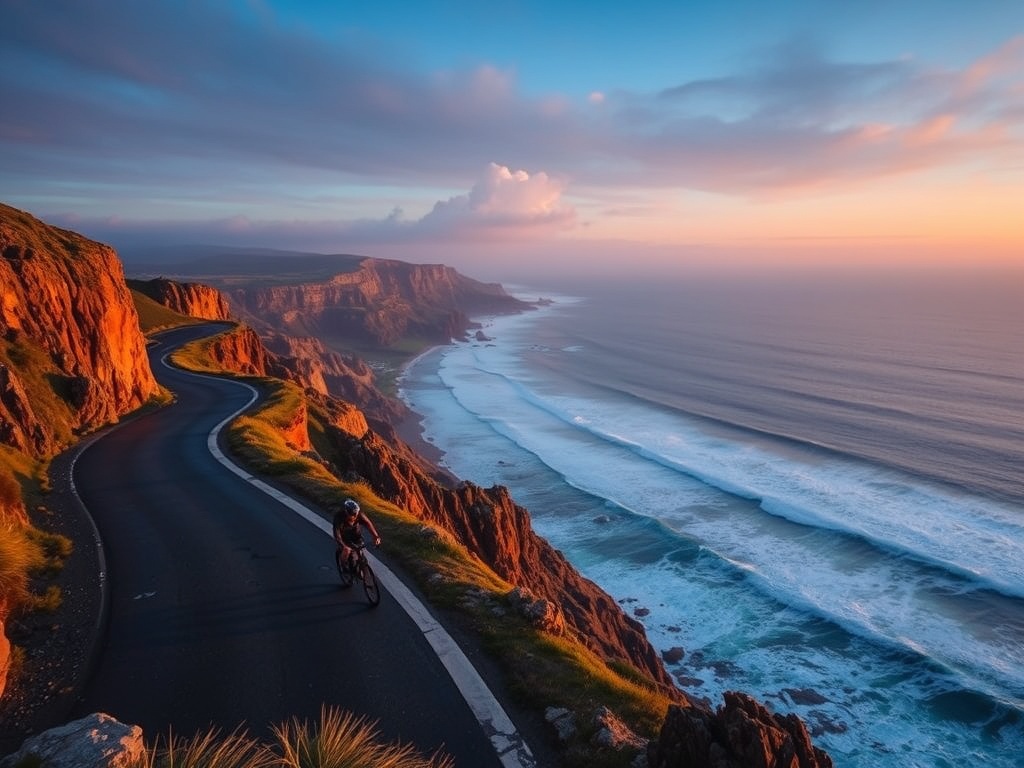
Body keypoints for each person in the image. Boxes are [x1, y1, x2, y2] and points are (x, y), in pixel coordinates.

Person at [332, 498, 381, 573]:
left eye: (356, 514)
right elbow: (337, 534)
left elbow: (368, 524)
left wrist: (376, 536)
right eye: (353, 515)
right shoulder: (339, 518)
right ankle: (343, 566)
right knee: (347, 552)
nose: (355, 516)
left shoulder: (359, 514)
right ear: (347, 513)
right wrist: (343, 546)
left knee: (360, 553)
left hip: (356, 534)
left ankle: (361, 568)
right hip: (344, 537)